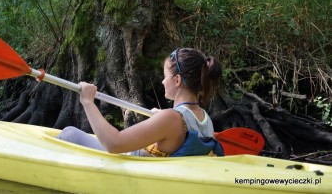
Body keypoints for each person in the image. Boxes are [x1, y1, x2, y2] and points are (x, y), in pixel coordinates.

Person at [57, 48, 224, 157]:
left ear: (177, 80)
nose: (163, 82)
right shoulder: (205, 119)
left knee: (69, 133)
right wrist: (162, 118)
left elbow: (114, 144)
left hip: (127, 167)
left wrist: (87, 101)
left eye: (165, 76)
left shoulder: (171, 119)